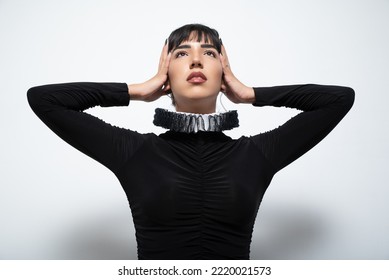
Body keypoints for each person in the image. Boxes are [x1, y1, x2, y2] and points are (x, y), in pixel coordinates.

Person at [27, 23, 355, 259]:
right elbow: (44, 100)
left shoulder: (256, 155)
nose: (196, 61)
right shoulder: (136, 152)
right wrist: (137, 90)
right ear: (167, 73)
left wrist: (249, 94)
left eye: (209, 53)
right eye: (182, 53)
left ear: (223, 71)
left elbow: (339, 100)